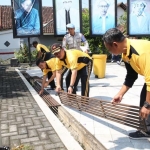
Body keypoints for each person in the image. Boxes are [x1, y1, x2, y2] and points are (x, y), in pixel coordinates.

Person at [103, 28, 150, 139]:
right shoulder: (126, 53)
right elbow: (131, 76)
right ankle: (147, 130)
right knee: (145, 97)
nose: (110, 52)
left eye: (109, 49)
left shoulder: (141, 52)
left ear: (115, 44)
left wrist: (147, 105)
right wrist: (120, 94)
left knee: (147, 102)